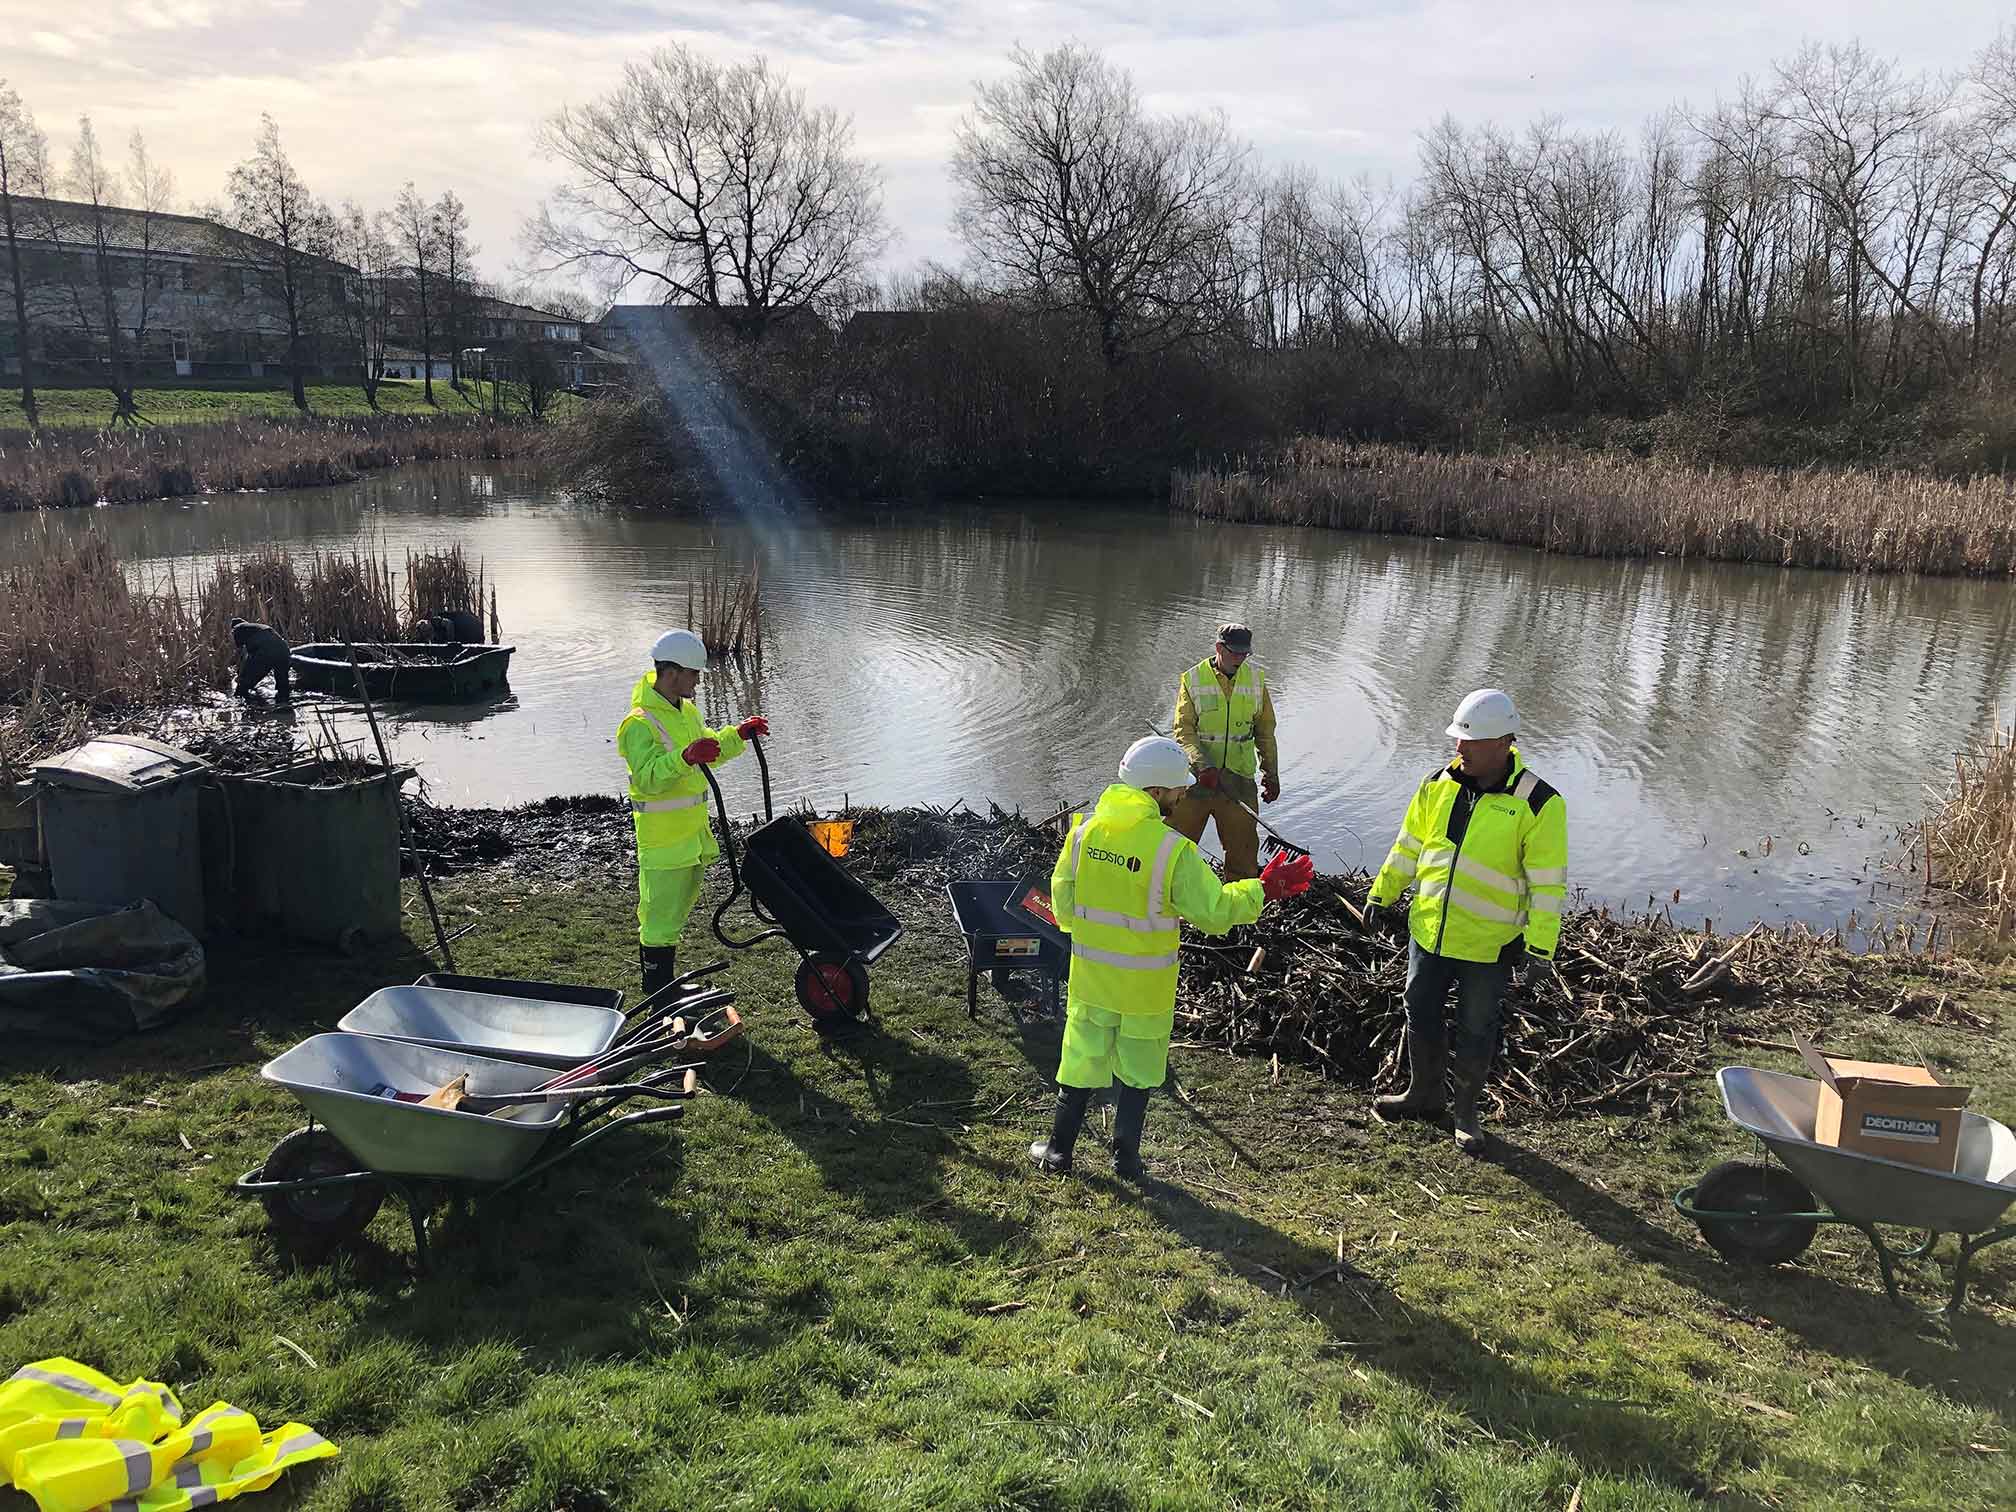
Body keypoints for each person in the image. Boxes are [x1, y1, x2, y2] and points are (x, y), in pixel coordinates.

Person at [1031, 736, 1314, 1179]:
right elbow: (1216, 913)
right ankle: (1126, 1160)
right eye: (1177, 789)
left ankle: (1057, 1151)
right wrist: (1263, 887)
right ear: (1154, 792)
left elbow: (1063, 905)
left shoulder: (1083, 834)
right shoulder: (1170, 850)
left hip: (1093, 979)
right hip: (1146, 989)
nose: (1183, 794)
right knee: (1140, 1071)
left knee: (1081, 1060)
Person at [1366, 688, 1568, 1154]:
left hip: (1488, 945)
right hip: (1429, 932)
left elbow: (1548, 885)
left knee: (1477, 1027)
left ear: (1502, 744)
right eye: (1457, 739)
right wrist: (1383, 893)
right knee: (1420, 1010)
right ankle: (1424, 1095)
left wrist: (1541, 949)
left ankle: (1466, 1113)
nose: (1458, 748)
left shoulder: (1539, 804)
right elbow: (1409, 846)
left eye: (1469, 742)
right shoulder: (1437, 784)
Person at [620, 629, 769, 1001]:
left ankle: (666, 984)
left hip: (691, 835)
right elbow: (649, 778)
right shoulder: (638, 723)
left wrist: (739, 734)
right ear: (671, 673)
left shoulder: (684, 711)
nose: (698, 682)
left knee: (675, 915)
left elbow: (709, 749)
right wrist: (685, 757)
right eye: (693, 674)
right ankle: (658, 993)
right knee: (658, 918)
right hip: (662, 840)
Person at [1170, 622, 1279, 882]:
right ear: (1219, 648)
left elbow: (1265, 731)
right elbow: (1183, 730)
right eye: (1234, 653)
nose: (1240, 659)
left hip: (1238, 780)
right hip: (1195, 782)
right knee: (1173, 849)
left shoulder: (1255, 681)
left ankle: (1237, 911)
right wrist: (1202, 766)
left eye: (1245, 654)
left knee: (1243, 855)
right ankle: (1165, 901)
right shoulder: (1193, 679)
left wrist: (1271, 774)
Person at [228, 616, 291, 704]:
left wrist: (241, 675)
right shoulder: (257, 627)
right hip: (284, 650)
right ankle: (285, 707)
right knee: (282, 685)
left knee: (245, 684)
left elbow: (245, 657)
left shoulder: (237, 629)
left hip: (267, 651)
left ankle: (240, 700)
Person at [411, 609, 484, 645]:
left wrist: (449, 642)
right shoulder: (433, 631)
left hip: (469, 627)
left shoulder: (435, 620)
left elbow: (450, 624)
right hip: (471, 627)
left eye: (424, 627)